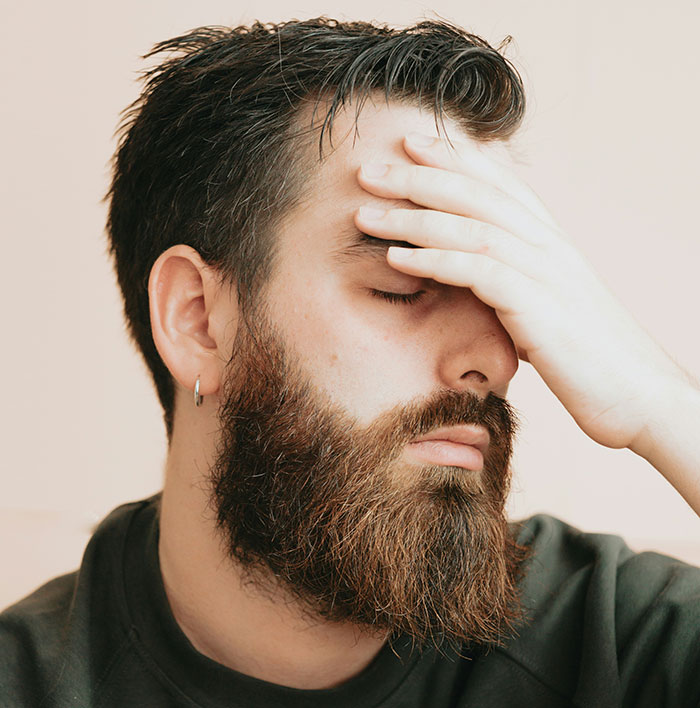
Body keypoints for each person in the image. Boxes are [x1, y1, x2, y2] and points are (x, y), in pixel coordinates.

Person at [1, 16, 699, 707]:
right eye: (400, 289)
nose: (496, 358)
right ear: (198, 321)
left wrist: (661, 406)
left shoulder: (616, 642)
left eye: (500, 299)